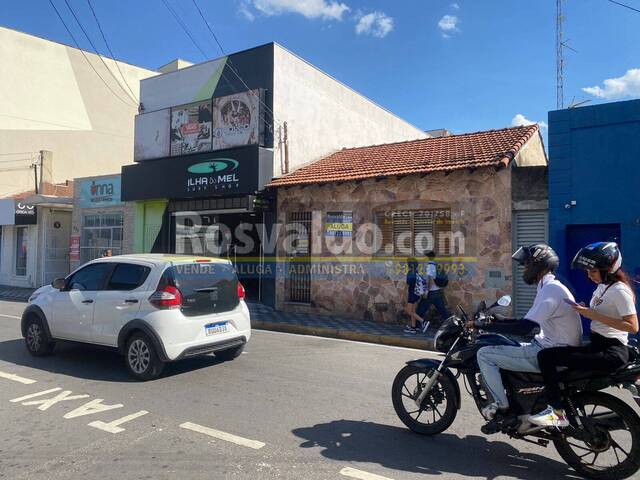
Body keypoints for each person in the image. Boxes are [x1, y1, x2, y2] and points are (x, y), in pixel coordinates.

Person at [528, 242, 638, 428]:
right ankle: (568, 405)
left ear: (608, 268)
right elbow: (607, 314)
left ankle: (557, 412)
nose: (589, 275)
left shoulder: (619, 290)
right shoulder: (604, 287)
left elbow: (633, 326)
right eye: (587, 271)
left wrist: (592, 314)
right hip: (598, 345)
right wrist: (585, 309)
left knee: (546, 356)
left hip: (611, 351)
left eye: (593, 271)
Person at [474, 244, 583, 429]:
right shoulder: (548, 286)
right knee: (511, 346)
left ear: (536, 265)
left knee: (484, 354)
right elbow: (527, 321)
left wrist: (488, 325)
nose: (524, 269)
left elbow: (525, 328)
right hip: (552, 346)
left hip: (551, 351)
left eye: (526, 265)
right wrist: (500, 320)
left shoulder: (550, 289)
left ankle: (502, 408)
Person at [415, 251, 449, 327]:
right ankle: (451, 325)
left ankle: (416, 326)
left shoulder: (430, 266)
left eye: (424, 256)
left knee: (420, 309)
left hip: (431, 292)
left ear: (427, 257)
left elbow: (430, 280)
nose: (423, 258)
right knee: (443, 311)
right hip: (437, 291)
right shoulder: (435, 265)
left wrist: (426, 291)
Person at [403, 257, 428, 334]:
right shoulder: (417, 272)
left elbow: (406, 286)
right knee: (413, 311)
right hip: (417, 295)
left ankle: (423, 322)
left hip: (412, 295)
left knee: (408, 311)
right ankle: (413, 327)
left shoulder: (410, 273)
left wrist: (403, 296)